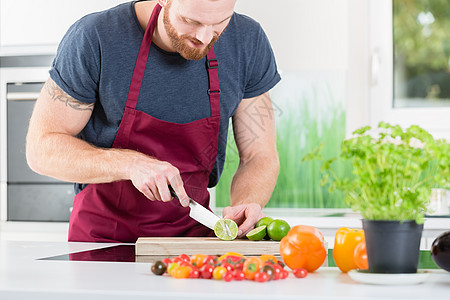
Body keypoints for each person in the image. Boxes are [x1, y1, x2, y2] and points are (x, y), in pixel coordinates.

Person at [26, 0, 281, 242]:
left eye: (220, 23)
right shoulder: (95, 37)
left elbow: (259, 155)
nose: (204, 37)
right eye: (190, 21)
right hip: (102, 242)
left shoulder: (248, 41)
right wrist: (131, 164)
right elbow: (41, 149)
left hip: (192, 243)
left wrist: (245, 202)